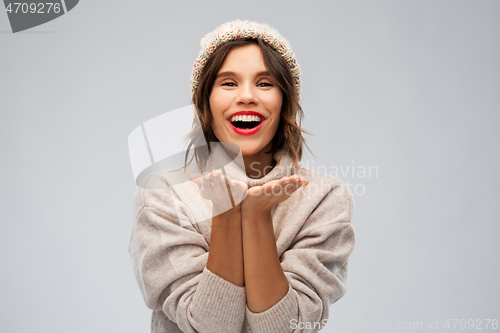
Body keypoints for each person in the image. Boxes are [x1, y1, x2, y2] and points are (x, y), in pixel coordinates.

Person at [128, 19, 356, 333]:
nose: (247, 96)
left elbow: (282, 330)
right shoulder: (165, 192)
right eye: (229, 83)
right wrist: (227, 213)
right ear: (205, 102)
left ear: (284, 101)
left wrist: (256, 218)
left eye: (264, 83)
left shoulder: (324, 198)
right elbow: (207, 326)